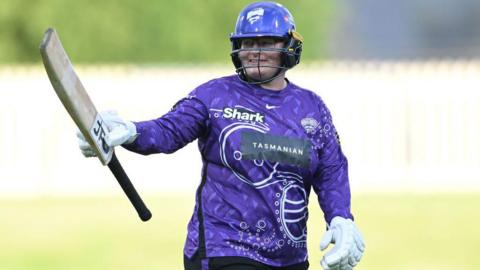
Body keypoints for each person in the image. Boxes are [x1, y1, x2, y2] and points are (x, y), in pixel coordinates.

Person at [77, 1, 365, 269]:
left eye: (266, 42)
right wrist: (129, 131)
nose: (255, 51)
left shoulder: (311, 106)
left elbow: (331, 169)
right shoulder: (214, 95)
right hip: (224, 249)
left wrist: (340, 217)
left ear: (289, 47)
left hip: (289, 257)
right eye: (248, 43)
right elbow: (167, 131)